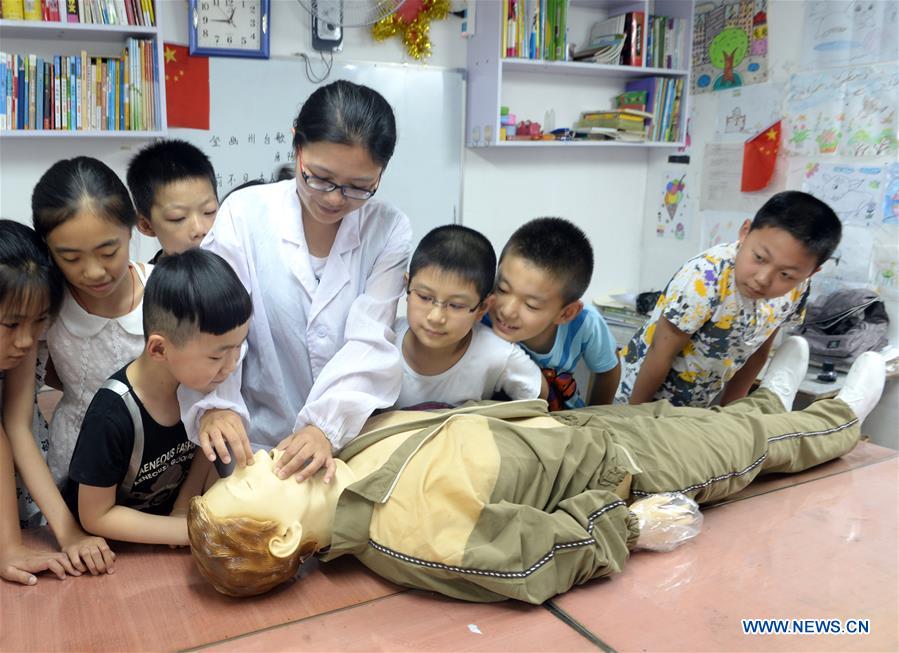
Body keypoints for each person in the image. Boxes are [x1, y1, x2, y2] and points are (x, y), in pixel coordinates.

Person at [187, 344, 886, 603]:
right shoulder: (408, 535)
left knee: (701, 416)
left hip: (577, 429)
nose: (256, 459)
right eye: (247, 482)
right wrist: (626, 523)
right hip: (622, 470)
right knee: (746, 446)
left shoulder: (343, 459)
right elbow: (531, 560)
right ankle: (841, 416)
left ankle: (769, 397)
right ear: (285, 537)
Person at [178, 80, 412, 484]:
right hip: (253, 440)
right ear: (296, 146)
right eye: (319, 177)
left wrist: (325, 426)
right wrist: (215, 404)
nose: (334, 199)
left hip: (346, 441)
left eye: (359, 187)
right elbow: (215, 323)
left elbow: (370, 342)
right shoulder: (245, 214)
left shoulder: (388, 229)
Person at [64, 250, 250, 546]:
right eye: (217, 356)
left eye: (239, 347)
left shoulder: (200, 383)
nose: (231, 366)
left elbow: (205, 450)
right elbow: (95, 515)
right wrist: (187, 531)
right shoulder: (112, 415)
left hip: (168, 534)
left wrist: (183, 508)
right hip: (110, 549)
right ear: (160, 349)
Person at [617, 191, 842, 408]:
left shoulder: (797, 289)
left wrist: (730, 413)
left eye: (785, 274)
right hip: (635, 397)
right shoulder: (706, 277)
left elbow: (758, 351)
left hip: (695, 409)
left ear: (811, 272)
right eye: (759, 257)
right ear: (745, 232)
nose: (763, 279)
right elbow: (660, 352)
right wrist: (634, 418)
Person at [0, 220, 115, 586]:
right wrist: (9, 547)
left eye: (38, 322)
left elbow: (16, 426)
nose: (25, 341)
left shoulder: (24, 340)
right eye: (11, 324)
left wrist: (69, 533)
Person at [31, 157, 152, 487]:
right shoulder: (49, 304)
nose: (94, 272)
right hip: (77, 463)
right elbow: (43, 374)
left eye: (108, 252)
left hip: (156, 465)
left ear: (132, 226)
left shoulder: (164, 290)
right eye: (71, 258)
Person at [394, 225, 545, 409]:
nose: (436, 317)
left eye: (456, 305)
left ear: (483, 308)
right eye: (424, 297)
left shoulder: (496, 353)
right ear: (407, 286)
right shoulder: (384, 339)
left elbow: (541, 397)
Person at [487, 217, 620, 410]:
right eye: (502, 288)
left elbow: (608, 370)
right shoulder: (479, 313)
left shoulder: (585, 323)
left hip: (562, 417)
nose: (507, 310)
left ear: (566, 314)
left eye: (531, 305)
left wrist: (595, 416)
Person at [126, 139, 219, 264]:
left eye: (209, 211)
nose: (199, 230)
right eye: (178, 218)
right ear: (146, 225)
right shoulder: (148, 277)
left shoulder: (237, 267)